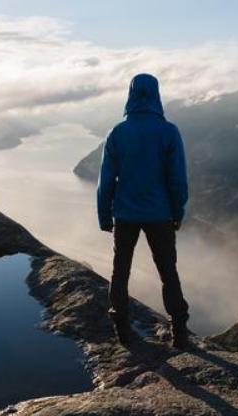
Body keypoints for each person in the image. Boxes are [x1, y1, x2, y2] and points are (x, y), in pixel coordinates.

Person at [97, 73, 190, 349]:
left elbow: (106, 179)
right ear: (157, 95)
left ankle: (123, 331)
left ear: (131, 94)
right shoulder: (169, 131)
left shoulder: (118, 132)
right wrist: (178, 212)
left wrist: (104, 215)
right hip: (160, 215)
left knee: (120, 272)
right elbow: (177, 179)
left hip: (125, 215)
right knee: (167, 272)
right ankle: (180, 334)